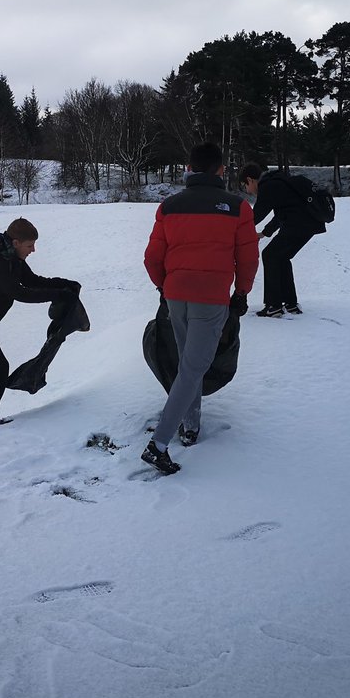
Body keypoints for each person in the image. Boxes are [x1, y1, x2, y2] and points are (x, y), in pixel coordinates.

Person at [142, 143, 259, 474]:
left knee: (187, 365)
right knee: (193, 368)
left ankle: (189, 427)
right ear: (221, 170)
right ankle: (159, 445)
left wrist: (164, 286)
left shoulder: (169, 206)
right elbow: (248, 258)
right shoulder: (238, 208)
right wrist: (242, 292)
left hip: (176, 297)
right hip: (210, 299)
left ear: (190, 168)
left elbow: (152, 258)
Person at [0, 218, 79, 430]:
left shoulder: (11, 257)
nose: (33, 250)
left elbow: (32, 281)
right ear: (16, 242)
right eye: (30, 245)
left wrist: (65, 285)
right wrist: (59, 294)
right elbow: (20, 293)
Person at [239, 163, 326, 317]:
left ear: (250, 180)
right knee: (281, 257)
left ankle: (274, 306)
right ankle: (290, 304)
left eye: (245, 186)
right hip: (310, 223)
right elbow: (282, 214)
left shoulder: (268, 186)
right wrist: (265, 233)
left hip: (299, 224)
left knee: (270, 255)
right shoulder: (277, 182)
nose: (248, 191)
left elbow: (255, 216)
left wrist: (236, 230)